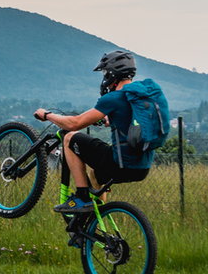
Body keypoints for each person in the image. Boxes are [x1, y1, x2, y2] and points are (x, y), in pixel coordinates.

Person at [33, 50, 154, 213]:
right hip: (142, 167)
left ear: (113, 73)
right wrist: (108, 119)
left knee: (69, 138)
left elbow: (74, 123)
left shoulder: (113, 98)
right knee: (95, 176)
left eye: (105, 73)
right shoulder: (142, 98)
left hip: (120, 164)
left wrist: (47, 115)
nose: (104, 78)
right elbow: (131, 120)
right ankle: (97, 220)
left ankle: (82, 197)